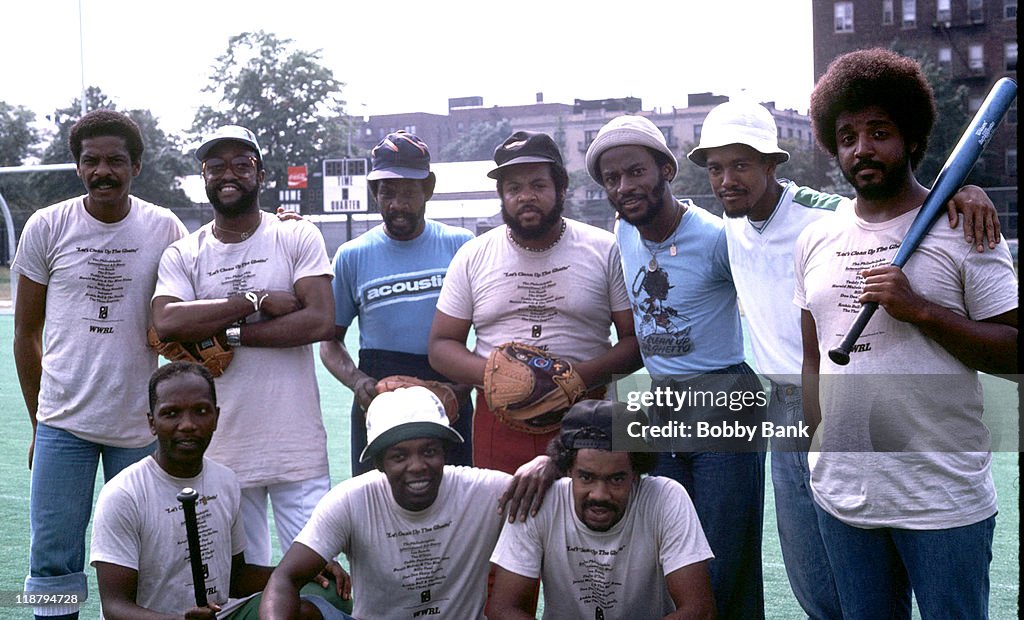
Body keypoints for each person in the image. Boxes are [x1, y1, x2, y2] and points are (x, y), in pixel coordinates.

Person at [685, 99, 1003, 619]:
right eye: (716, 168)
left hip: (866, 402)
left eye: (741, 164)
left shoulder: (823, 215)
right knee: (814, 578)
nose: (727, 180)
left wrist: (965, 193)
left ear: (772, 164)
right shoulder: (728, 229)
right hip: (789, 410)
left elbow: (890, 211)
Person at [796, 48, 1017, 619]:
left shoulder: (966, 226)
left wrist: (921, 310)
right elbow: (814, 358)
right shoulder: (816, 240)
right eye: (847, 136)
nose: (862, 148)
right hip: (842, 497)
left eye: (879, 131)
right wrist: (814, 446)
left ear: (912, 139)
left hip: (941, 500)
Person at [585, 115, 767, 619]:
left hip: (724, 397)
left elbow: (783, 248)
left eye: (636, 172)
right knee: (669, 556)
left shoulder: (717, 238)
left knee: (725, 559)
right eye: (612, 178)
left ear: (667, 170)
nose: (625, 186)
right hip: (659, 403)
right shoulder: (622, 230)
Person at [11, 109, 187, 620]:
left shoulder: (164, 227)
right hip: (63, 423)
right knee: (52, 557)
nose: (102, 171)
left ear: (135, 166)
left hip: (139, 424)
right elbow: (25, 334)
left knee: (147, 556)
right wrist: (39, 423)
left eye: (115, 160)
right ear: (78, 167)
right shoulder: (48, 225)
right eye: (91, 161)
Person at [151, 124, 335, 565]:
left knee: (316, 579)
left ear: (261, 174)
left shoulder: (295, 235)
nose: (227, 174)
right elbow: (167, 320)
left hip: (296, 449)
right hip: (223, 451)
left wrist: (229, 334)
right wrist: (254, 300)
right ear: (204, 177)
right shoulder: (185, 253)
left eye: (241, 164)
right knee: (237, 586)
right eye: (215, 166)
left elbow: (320, 319)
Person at [428, 130, 641, 474]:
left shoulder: (604, 250)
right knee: (503, 518)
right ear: (501, 195)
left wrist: (576, 379)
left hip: (586, 412)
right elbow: (440, 345)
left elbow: (635, 342)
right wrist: (500, 378)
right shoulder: (473, 255)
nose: (526, 196)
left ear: (560, 188)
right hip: (500, 415)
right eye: (513, 188)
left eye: (538, 185)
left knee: (588, 518)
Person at [259, 386, 557, 619]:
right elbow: (285, 577)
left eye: (429, 451)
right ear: (378, 463)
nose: (417, 466)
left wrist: (551, 462)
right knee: (305, 612)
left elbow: (575, 489)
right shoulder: (350, 500)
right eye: (399, 456)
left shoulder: (486, 491)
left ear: (444, 452)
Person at [90, 362, 348, 619]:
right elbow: (114, 607)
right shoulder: (124, 494)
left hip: (221, 614)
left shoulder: (224, 480)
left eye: (201, 411)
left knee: (328, 593)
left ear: (216, 417)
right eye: (171, 414)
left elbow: (236, 579)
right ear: (151, 422)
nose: (188, 424)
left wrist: (300, 569)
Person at [321, 130, 475, 477]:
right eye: (387, 191)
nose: (397, 203)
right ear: (375, 191)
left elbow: (492, 329)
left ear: (428, 189)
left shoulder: (461, 246)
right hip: (379, 390)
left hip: (449, 388)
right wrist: (358, 382)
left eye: (409, 190)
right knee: (376, 504)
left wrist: (464, 386)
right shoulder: (351, 255)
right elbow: (330, 341)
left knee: (458, 499)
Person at [489, 399, 715, 619]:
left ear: (636, 474)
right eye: (586, 477)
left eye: (616, 479)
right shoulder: (541, 500)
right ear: (568, 470)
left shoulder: (665, 498)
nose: (600, 494)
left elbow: (700, 611)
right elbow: (502, 610)